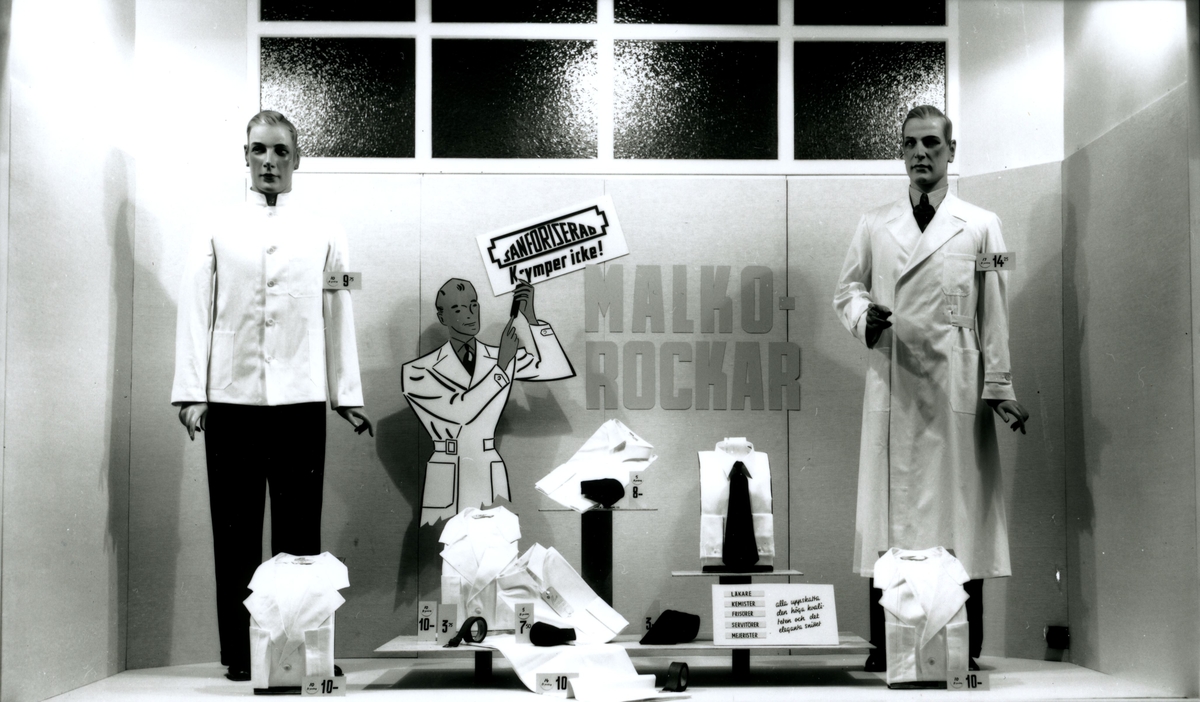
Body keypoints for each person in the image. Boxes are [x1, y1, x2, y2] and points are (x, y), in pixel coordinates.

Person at [171, 110, 374, 681]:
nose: (269, 161)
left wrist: (346, 394)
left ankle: (301, 654)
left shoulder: (325, 230)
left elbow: (338, 309)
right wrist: (192, 393)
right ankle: (242, 657)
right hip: (230, 400)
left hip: (300, 402)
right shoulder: (215, 227)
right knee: (234, 535)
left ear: (297, 159)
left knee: (300, 538)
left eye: (281, 151)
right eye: (259, 149)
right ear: (245, 156)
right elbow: (195, 310)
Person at [833, 105, 1030, 672]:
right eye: (910, 144)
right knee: (892, 518)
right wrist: (864, 318)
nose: (921, 153)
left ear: (951, 151)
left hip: (954, 388)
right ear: (901, 151)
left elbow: (994, 309)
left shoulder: (982, 224)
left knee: (958, 516)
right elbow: (846, 291)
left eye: (931, 144)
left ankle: (962, 648)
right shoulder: (875, 223)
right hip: (894, 382)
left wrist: (1000, 386)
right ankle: (888, 646)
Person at [402, 279, 574, 526]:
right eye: (458, 308)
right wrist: (502, 366)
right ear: (443, 317)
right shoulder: (417, 371)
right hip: (448, 473)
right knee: (447, 545)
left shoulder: (497, 354)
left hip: (489, 467)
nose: (469, 314)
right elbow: (459, 411)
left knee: (498, 544)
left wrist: (532, 319)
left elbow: (554, 367)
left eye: (473, 305)